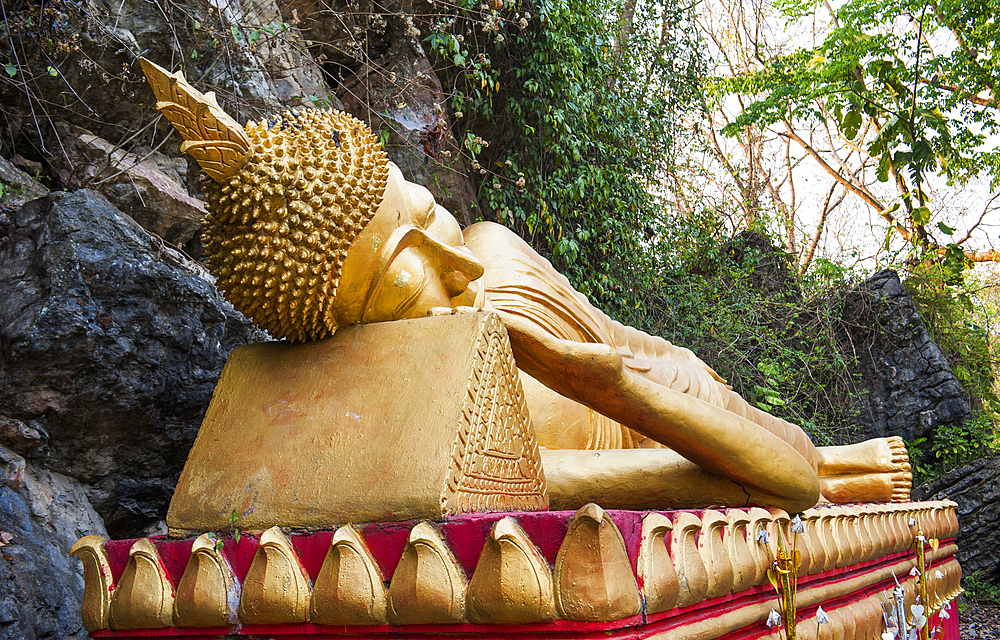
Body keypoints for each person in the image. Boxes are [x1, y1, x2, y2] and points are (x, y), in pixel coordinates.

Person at [141, 58, 911, 513]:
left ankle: (836, 452)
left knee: (710, 380)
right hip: (662, 423)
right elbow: (784, 482)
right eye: (412, 289)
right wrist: (609, 389)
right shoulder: (437, 424)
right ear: (358, 344)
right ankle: (839, 459)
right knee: (794, 452)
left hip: (675, 388)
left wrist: (637, 368)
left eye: (428, 210)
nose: (462, 267)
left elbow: (638, 344)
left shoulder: (490, 250)